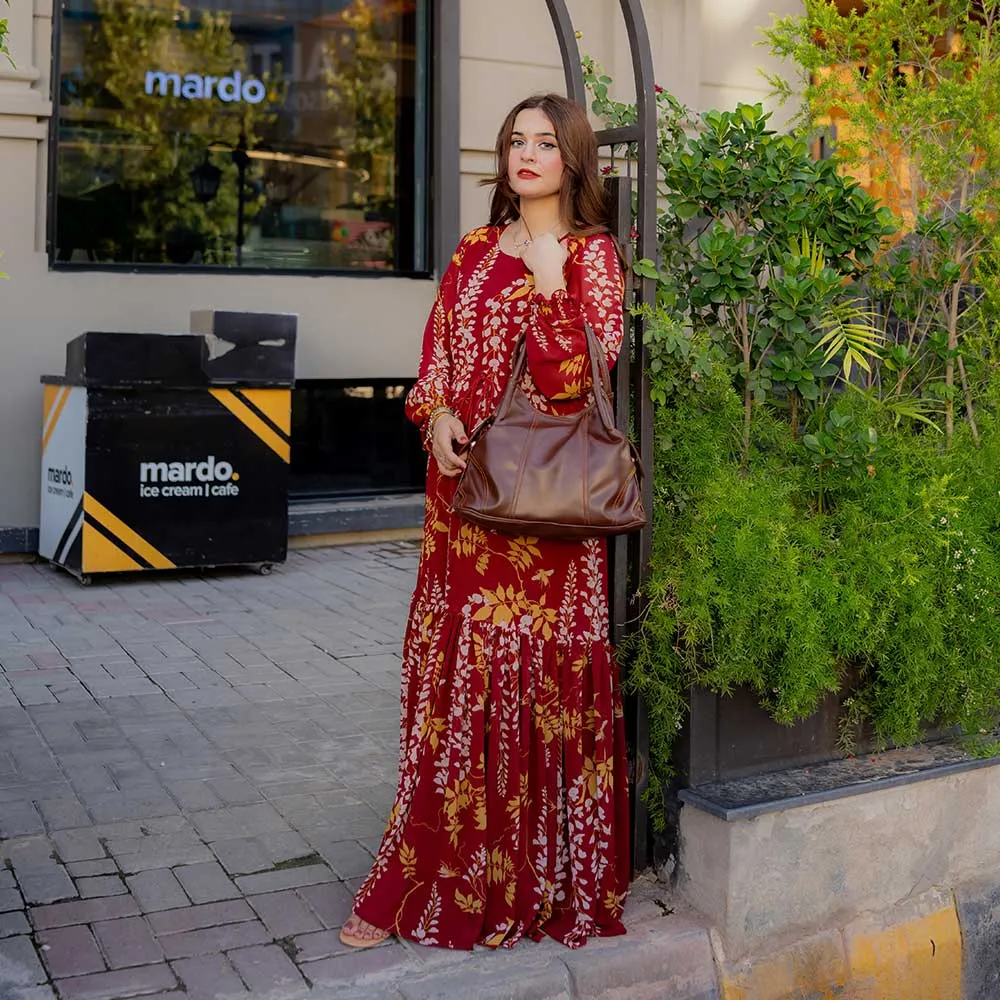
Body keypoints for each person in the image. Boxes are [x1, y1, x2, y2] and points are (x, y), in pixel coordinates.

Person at [338, 93, 631, 952]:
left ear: (575, 160)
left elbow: (579, 380)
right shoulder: (470, 252)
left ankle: (521, 884)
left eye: (546, 142)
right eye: (515, 141)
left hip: (541, 522)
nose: (527, 154)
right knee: (454, 693)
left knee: (524, 687)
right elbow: (435, 357)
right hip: (457, 506)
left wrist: (549, 281)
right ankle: (428, 870)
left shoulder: (592, 257)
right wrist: (433, 418)